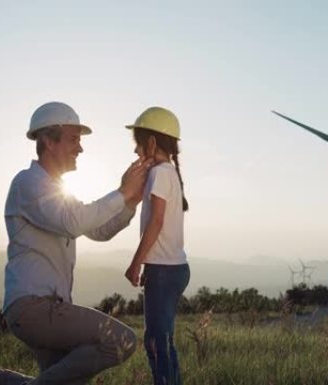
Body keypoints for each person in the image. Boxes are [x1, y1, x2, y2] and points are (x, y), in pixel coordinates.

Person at [0, 101, 152, 385]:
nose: (80, 148)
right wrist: (121, 191)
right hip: (34, 308)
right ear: (48, 141)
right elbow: (74, 222)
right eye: (74, 139)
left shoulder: (57, 191)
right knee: (122, 340)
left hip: (49, 308)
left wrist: (130, 201)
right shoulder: (28, 183)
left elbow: (98, 230)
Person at [124, 107, 190, 385]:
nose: (136, 151)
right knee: (162, 341)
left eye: (138, 144)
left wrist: (136, 261)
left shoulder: (160, 174)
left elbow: (156, 222)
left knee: (155, 343)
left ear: (151, 143)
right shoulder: (167, 172)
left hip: (162, 271)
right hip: (173, 269)